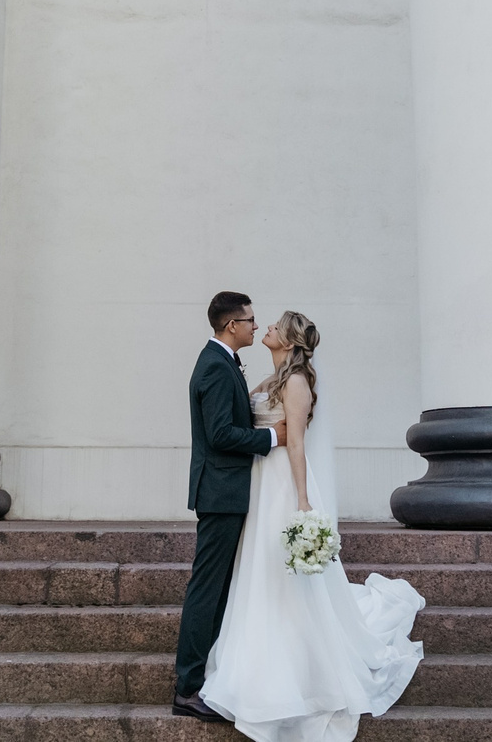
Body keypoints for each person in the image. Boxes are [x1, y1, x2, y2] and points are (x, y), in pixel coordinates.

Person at [199, 311, 425, 742]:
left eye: (272, 326)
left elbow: (298, 444)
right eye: (256, 323)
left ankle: (299, 660)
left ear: (287, 339)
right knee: (260, 567)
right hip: (261, 482)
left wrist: (302, 501)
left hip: (284, 483)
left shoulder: (297, 382)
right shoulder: (271, 381)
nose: (263, 327)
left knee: (282, 571)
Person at [174, 292, 280, 722]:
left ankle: (204, 678)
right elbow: (220, 435)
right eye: (251, 320)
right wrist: (274, 438)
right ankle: (187, 688)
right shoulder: (217, 367)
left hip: (225, 491)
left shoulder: (220, 361)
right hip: (220, 493)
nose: (257, 326)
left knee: (216, 589)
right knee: (207, 589)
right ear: (231, 325)